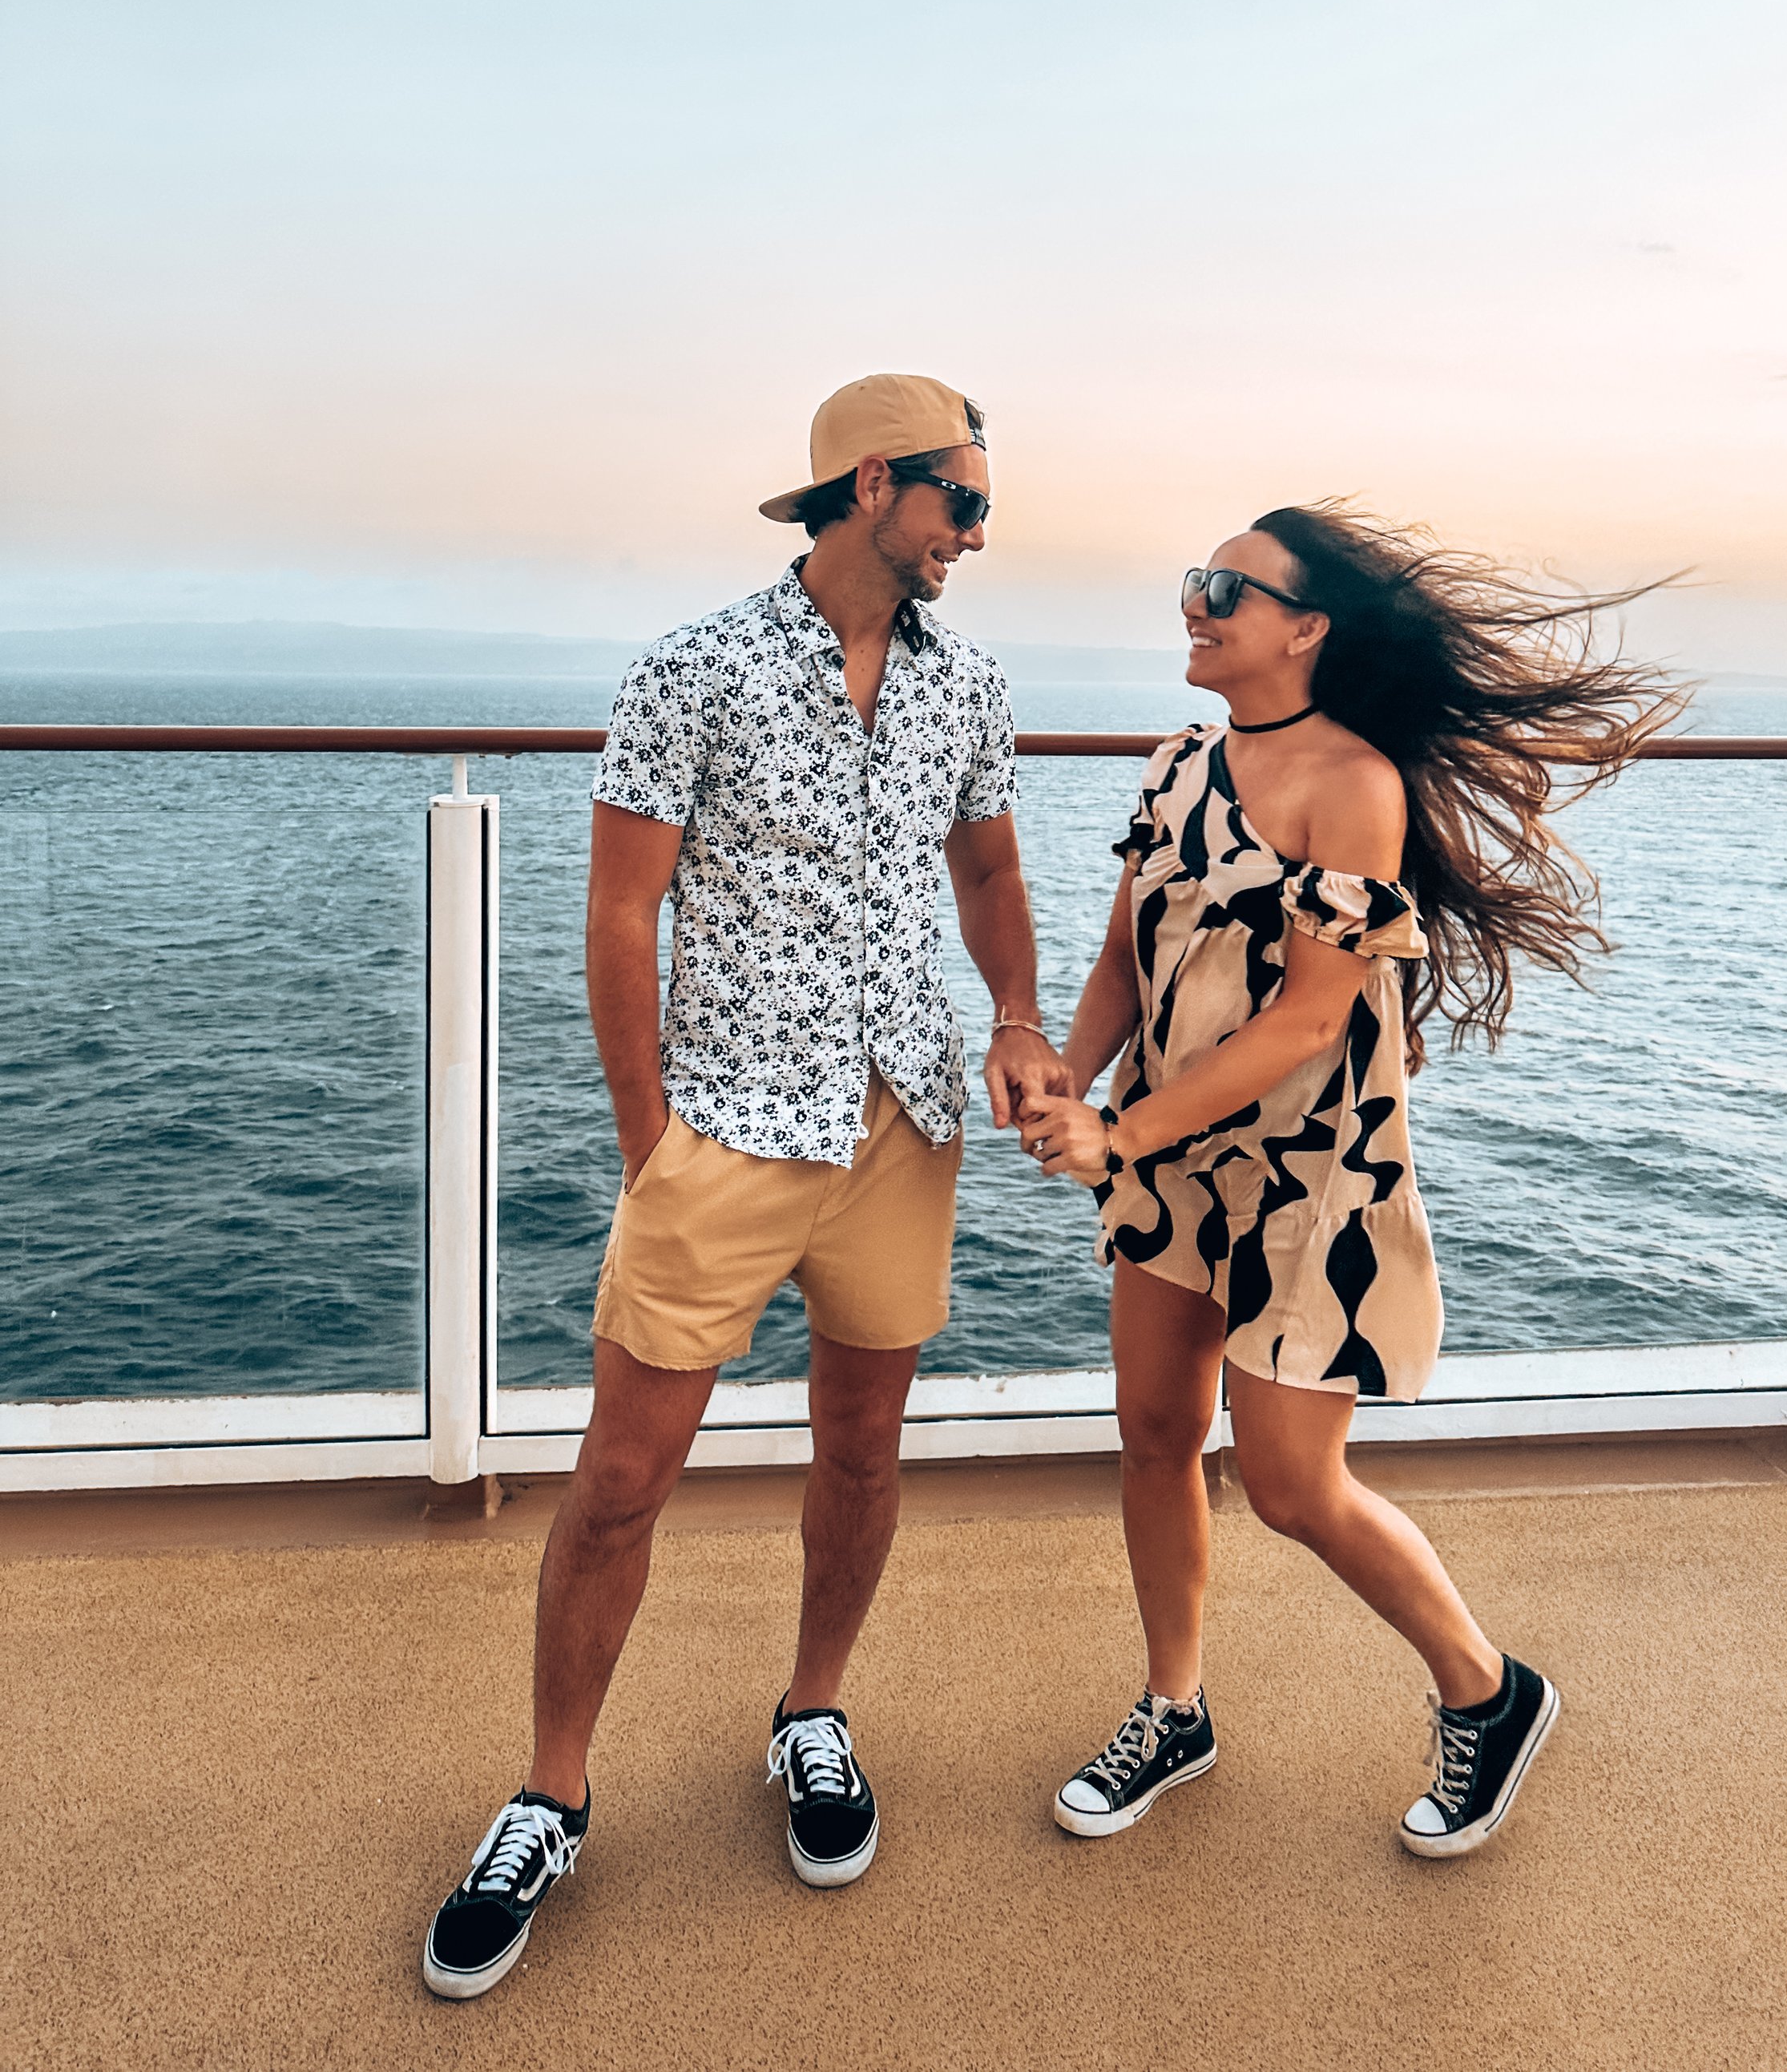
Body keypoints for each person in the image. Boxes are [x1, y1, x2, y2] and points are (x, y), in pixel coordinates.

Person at [425, 374, 1063, 1999]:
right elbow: (621, 912)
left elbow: (985, 865)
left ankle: (813, 1709)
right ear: (872, 485)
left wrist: (1011, 1015)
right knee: (624, 1474)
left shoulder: (967, 682)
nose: (978, 535)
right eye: (962, 503)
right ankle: (552, 1788)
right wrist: (649, 1134)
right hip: (718, 1124)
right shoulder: (692, 665)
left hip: (900, 1118)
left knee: (860, 1447)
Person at [1018, 502, 1680, 1858]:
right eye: (1194, 582)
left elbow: (1310, 1021)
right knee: (1152, 1429)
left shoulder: (1353, 785)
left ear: (1308, 627)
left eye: (1226, 589)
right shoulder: (1179, 763)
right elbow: (1121, 961)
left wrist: (1118, 1137)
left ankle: (1489, 1693)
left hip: (1309, 1171)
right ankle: (1174, 1705)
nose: (1193, 606)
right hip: (1170, 1154)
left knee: (1290, 1485)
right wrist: (1063, 1078)